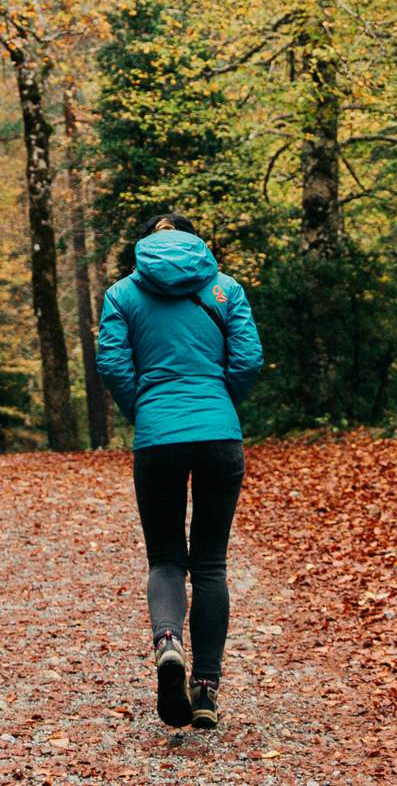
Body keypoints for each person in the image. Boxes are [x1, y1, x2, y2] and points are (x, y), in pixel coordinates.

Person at [96, 213, 264, 730]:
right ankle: (207, 688)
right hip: (219, 436)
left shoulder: (123, 294)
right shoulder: (224, 288)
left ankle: (168, 643)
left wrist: (144, 408)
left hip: (158, 438)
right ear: (195, 240)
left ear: (145, 244)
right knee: (211, 564)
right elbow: (249, 359)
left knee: (167, 557)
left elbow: (112, 364)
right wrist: (219, 405)